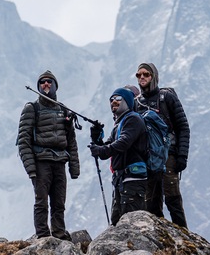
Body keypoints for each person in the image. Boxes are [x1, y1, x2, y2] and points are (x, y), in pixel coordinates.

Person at [17, 70, 79, 240]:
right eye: (42, 82)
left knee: (59, 203)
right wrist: (31, 169)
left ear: (55, 86)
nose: (45, 84)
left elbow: (71, 141)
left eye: (49, 82)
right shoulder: (32, 108)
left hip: (60, 162)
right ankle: (43, 236)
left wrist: (74, 168)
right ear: (38, 86)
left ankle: (59, 233)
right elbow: (23, 140)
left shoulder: (64, 110)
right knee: (41, 203)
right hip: (41, 162)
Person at [134, 62, 190, 228]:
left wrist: (182, 156)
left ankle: (185, 242)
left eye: (146, 74)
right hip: (147, 159)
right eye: (138, 75)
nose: (142, 77)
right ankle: (159, 243)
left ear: (154, 76)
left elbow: (183, 127)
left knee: (173, 200)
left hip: (169, 157)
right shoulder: (136, 103)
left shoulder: (168, 98)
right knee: (151, 203)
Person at [89, 87, 148, 226]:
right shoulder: (119, 124)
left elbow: (122, 144)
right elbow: (108, 147)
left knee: (130, 224)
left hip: (133, 181)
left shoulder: (133, 119)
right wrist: (97, 139)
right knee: (117, 222)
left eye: (118, 99)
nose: (114, 101)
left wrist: (101, 150)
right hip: (122, 180)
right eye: (112, 99)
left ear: (127, 102)